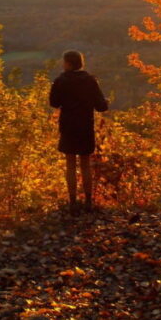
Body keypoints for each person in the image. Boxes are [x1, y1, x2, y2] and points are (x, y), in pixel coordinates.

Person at [49, 50, 109, 212]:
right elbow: (101, 106)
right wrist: (105, 102)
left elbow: (54, 103)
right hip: (85, 126)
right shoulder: (90, 81)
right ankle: (88, 201)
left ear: (68, 64)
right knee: (85, 164)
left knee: (70, 164)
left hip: (68, 126)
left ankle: (73, 201)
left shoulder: (60, 81)